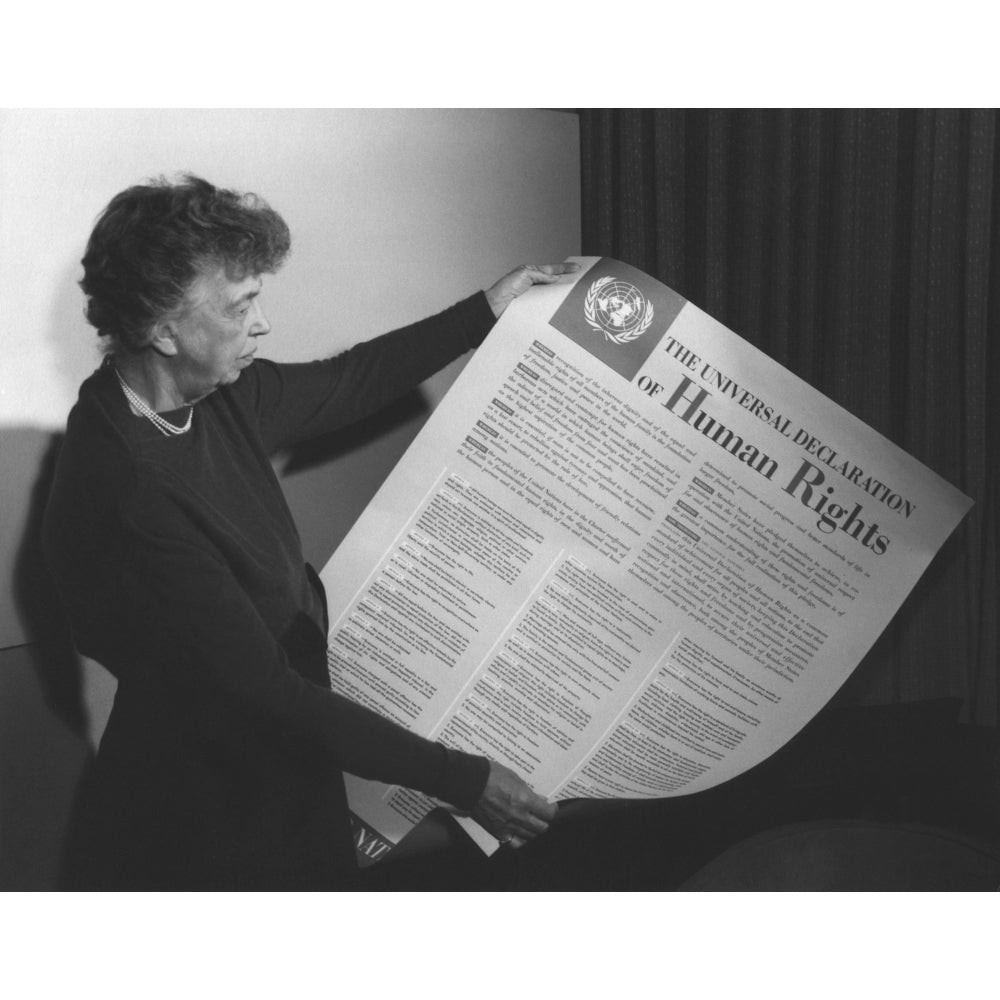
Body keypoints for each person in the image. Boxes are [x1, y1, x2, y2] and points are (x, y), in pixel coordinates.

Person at [43, 173, 572, 889]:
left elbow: (347, 381)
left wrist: (486, 310)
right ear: (160, 327)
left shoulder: (216, 394)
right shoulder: (131, 487)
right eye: (241, 305)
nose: (262, 323)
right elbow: (264, 691)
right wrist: (465, 779)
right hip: (206, 809)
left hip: (281, 762)